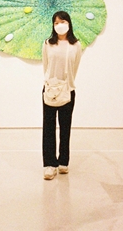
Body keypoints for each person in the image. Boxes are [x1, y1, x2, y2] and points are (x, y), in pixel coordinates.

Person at [41, 11, 82, 180]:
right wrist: (51, 82)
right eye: (56, 23)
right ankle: (50, 165)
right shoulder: (47, 43)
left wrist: (67, 83)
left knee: (65, 127)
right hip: (50, 89)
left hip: (68, 89)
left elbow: (75, 66)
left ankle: (64, 162)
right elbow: (46, 65)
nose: (59, 25)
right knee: (48, 128)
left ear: (69, 23)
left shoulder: (76, 45)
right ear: (53, 25)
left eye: (62, 22)